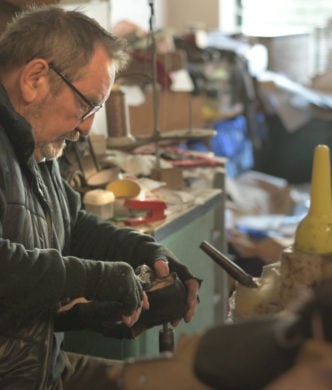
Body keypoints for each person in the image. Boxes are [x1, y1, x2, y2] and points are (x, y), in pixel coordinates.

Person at [0, 5, 200, 389]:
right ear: (35, 78)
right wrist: (94, 280)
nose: (88, 126)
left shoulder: (35, 142)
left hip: (43, 371)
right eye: (85, 104)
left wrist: (145, 253)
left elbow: (71, 226)